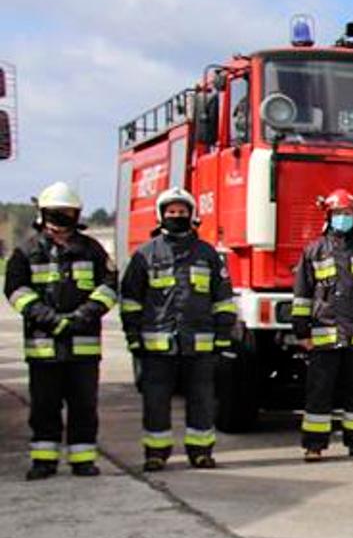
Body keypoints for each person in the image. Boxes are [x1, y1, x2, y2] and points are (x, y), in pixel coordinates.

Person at [4, 182, 116, 480]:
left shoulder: (92, 250)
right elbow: (15, 289)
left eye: (67, 212)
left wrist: (83, 315)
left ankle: (83, 460)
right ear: (43, 214)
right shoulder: (26, 251)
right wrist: (49, 318)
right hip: (44, 345)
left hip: (84, 346)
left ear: (76, 214)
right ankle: (44, 460)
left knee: (84, 405)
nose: (61, 218)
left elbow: (108, 286)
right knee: (44, 406)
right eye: (56, 212)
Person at [119, 187, 236, 470]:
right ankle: (156, 454)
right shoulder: (145, 255)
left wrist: (222, 338)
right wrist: (134, 338)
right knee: (156, 402)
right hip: (157, 348)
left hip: (199, 346)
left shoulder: (207, 254)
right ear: (161, 216)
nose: (176, 217)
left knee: (202, 401)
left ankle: (201, 451)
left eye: (182, 213)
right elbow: (131, 300)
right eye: (171, 213)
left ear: (192, 216)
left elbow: (223, 300)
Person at [292, 189, 353, 462]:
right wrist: (302, 331)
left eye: (347, 214)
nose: (342, 219)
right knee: (319, 391)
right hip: (324, 336)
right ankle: (314, 445)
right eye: (337, 214)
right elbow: (302, 295)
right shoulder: (314, 251)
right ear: (328, 217)